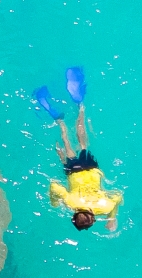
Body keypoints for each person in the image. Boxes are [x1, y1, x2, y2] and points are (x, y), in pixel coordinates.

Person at [36, 66, 121, 232]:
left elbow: (117, 196)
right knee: (67, 143)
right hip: (74, 171)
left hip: (91, 168)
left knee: (83, 143)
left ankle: (80, 107)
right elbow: (53, 185)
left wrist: (112, 217)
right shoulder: (71, 203)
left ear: (93, 216)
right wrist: (55, 202)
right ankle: (63, 119)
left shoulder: (103, 206)